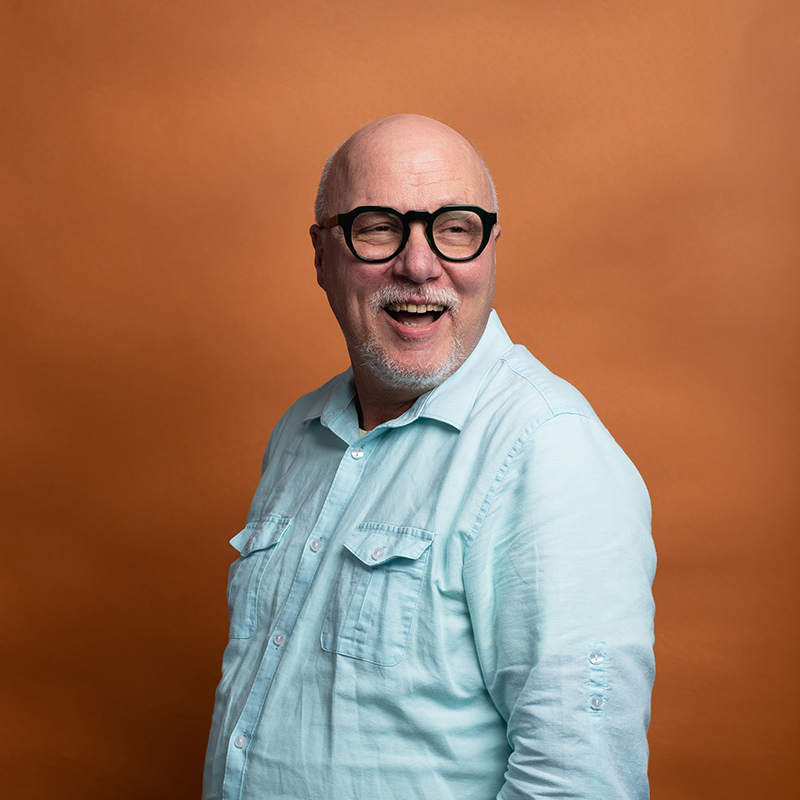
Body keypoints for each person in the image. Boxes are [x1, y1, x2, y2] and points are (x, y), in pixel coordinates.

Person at [203, 114, 656, 800]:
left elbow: (576, 784)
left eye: (455, 228)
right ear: (322, 254)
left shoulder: (549, 452)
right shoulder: (299, 433)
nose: (419, 265)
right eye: (378, 226)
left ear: (491, 247)